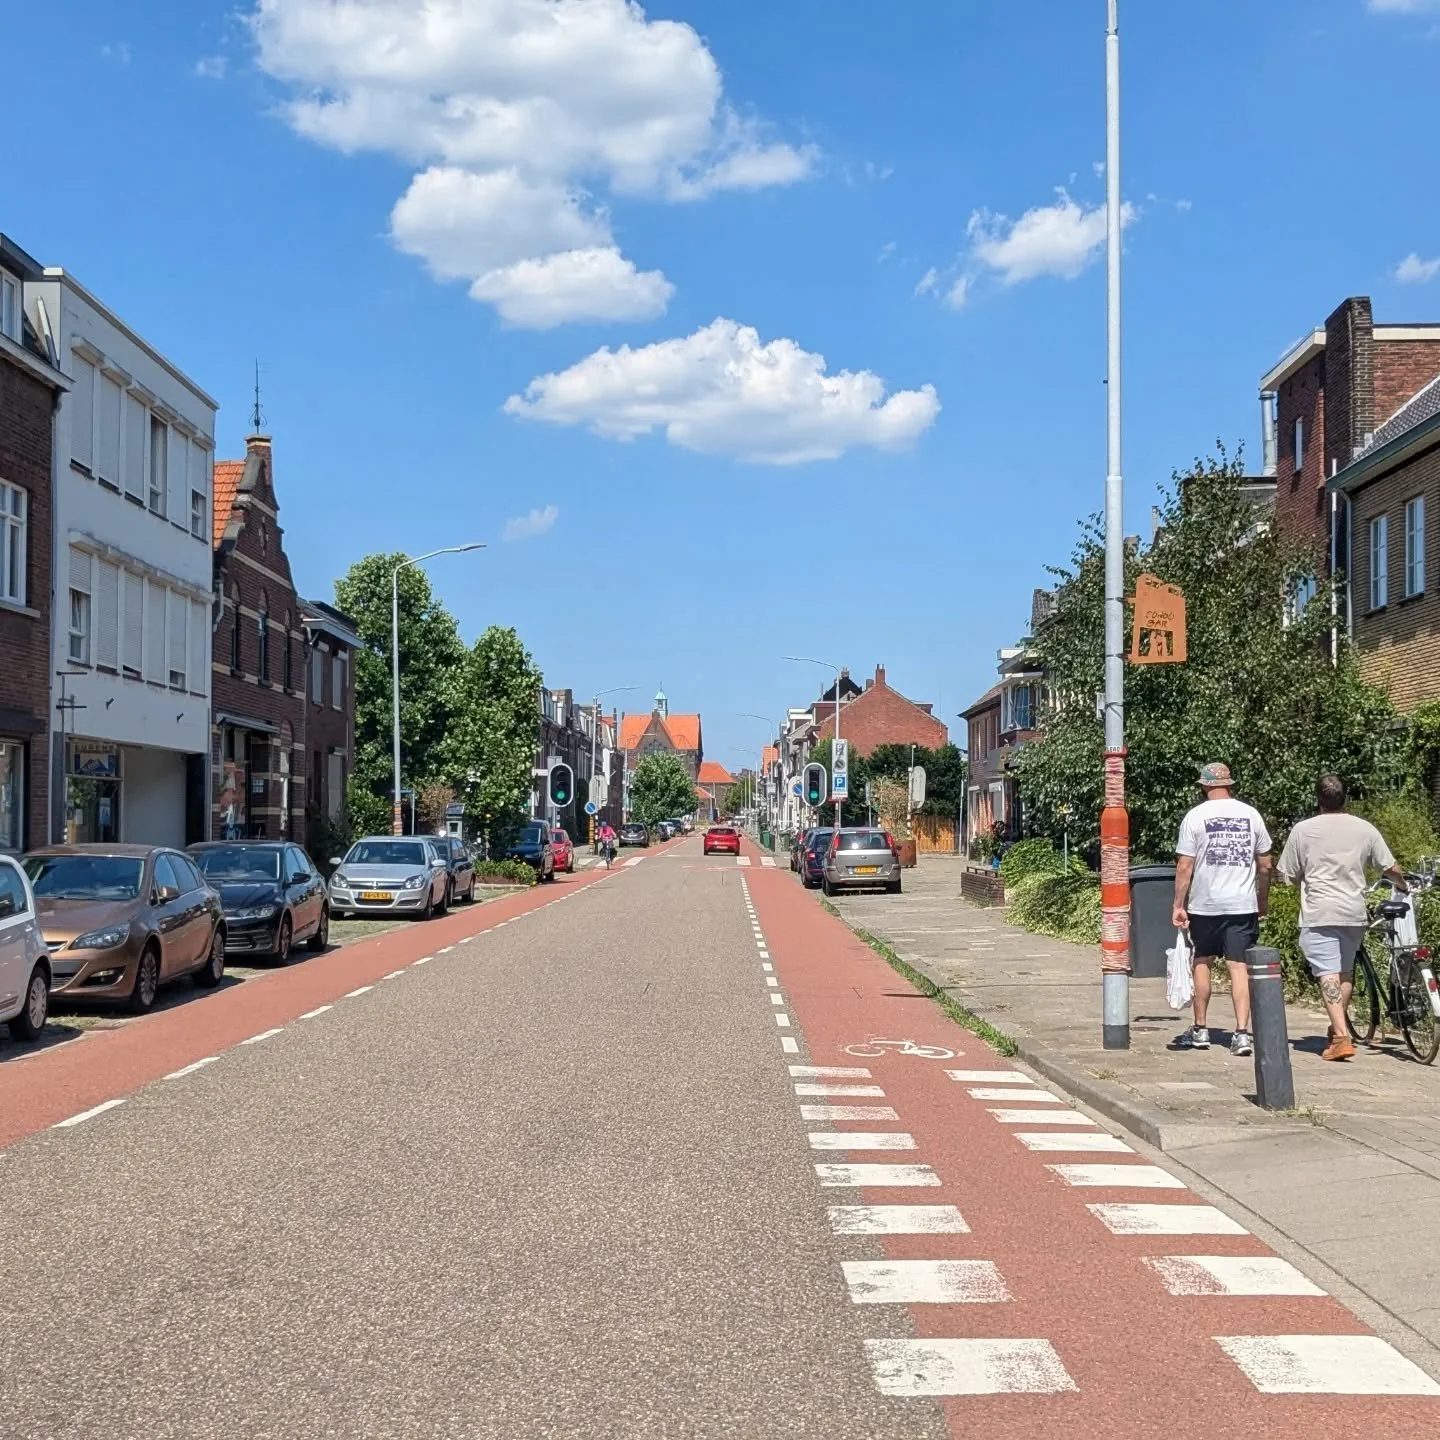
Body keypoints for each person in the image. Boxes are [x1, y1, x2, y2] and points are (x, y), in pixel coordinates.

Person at [1277, 774, 1408, 1062]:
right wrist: (1403, 885)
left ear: (1317, 799)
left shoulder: (1303, 830)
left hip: (1319, 911)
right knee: (1344, 971)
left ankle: (1340, 1036)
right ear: (1345, 798)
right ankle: (1337, 1029)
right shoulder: (1365, 829)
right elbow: (1390, 867)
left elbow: (1286, 873)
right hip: (1353, 911)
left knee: (1327, 972)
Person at [1171, 762, 1273, 1056]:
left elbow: (1185, 865)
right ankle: (1242, 1034)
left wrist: (1179, 904)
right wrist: (1261, 899)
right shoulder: (1251, 815)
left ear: (1204, 785)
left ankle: (1201, 1029)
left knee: (1202, 961)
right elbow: (1265, 864)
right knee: (1239, 967)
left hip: (1205, 904)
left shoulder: (1195, 816)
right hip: (1242, 904)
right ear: (1230, 784)